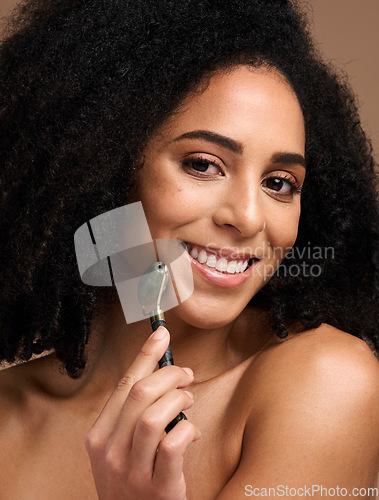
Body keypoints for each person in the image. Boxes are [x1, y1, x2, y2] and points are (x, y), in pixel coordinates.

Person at [0, 0, 378, 498]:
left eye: (280, 183)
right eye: (203, 165)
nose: (247, 217)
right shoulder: (8, 417)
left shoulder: (328, 384)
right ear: (105, 171)